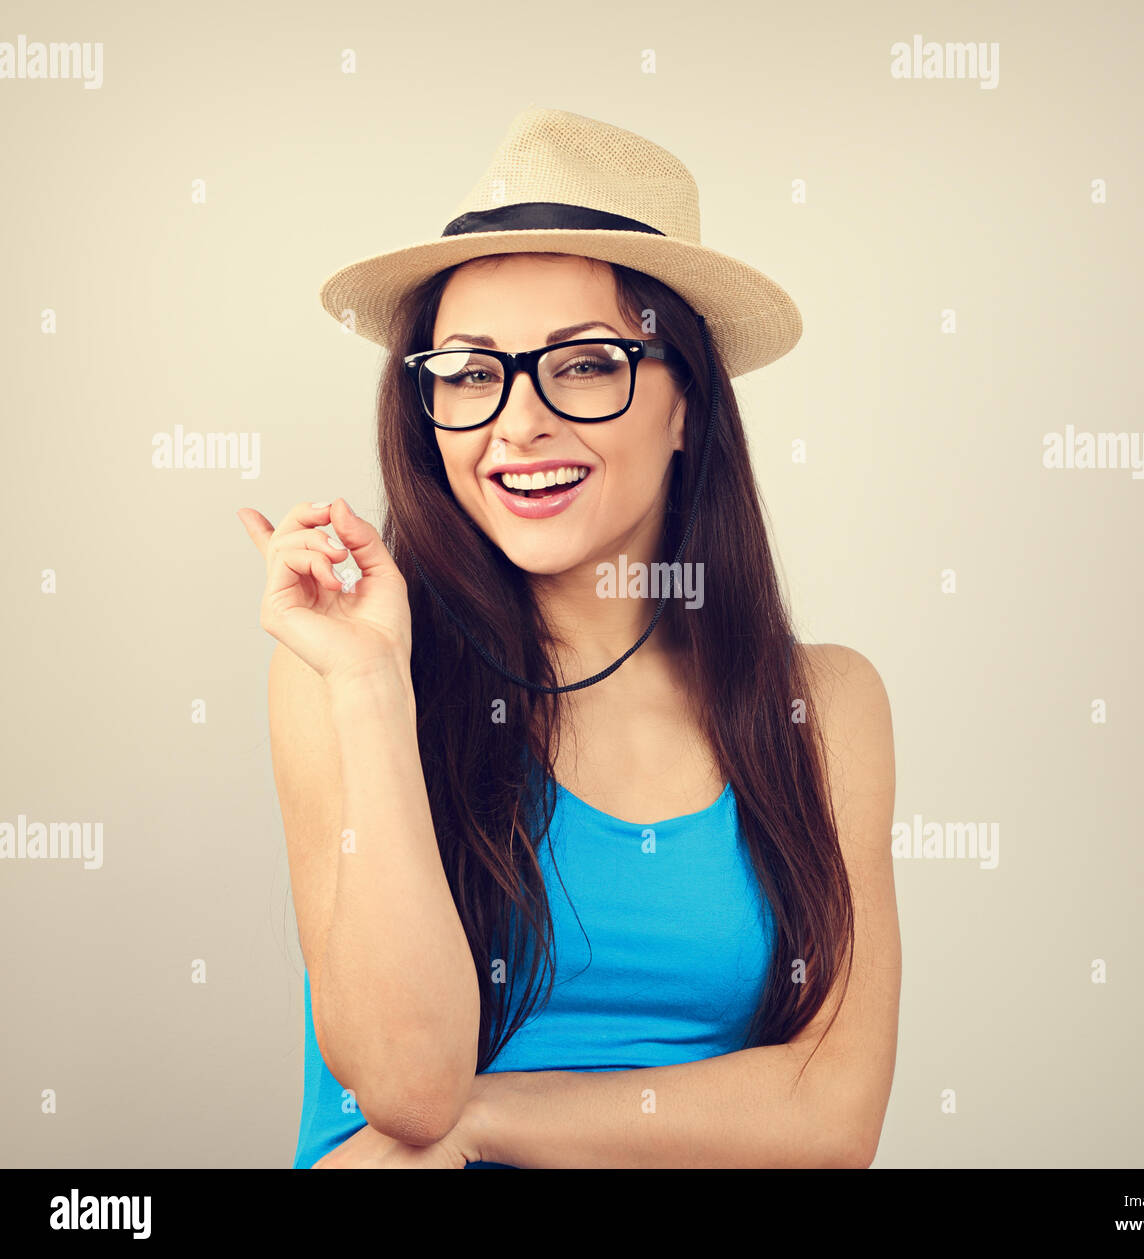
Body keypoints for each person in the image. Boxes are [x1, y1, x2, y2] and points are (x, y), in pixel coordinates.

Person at [236, 107, 900, 1169]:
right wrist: (370, 686)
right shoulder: (341, 670)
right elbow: (408, 1090)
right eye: (466, 371)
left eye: (586, 363)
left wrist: (493, 1119)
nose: (516, 421)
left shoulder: (822, 704)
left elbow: (829, 1114)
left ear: (688, 404)